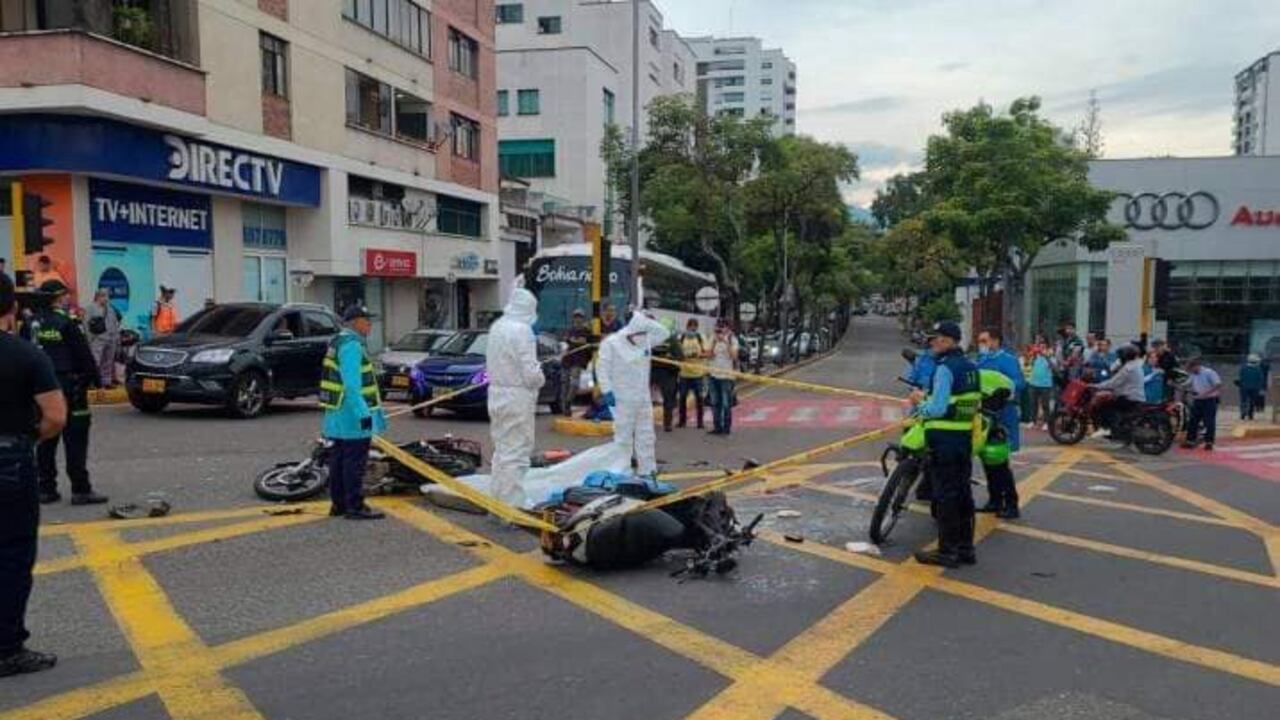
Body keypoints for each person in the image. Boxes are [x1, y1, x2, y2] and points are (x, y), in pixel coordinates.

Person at [0, 272, 67, 678]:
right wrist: (26, 441)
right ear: (11, 309)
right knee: (11, 556)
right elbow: (55, 417)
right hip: (9, 461)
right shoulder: (26, 356)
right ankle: (7, 648)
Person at [909, 321, 982, 568]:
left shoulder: (945, 368)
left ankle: (947, 551)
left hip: (943, 440)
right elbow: (967, 403)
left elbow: (938, 408)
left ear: (950, 340)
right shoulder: (971, 367)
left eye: (937, 338)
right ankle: (965, 549)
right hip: (963, 440)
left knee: (945, 496)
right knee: (963, 494)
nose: (933, 342)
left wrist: (920, 402)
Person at [32, 280, 106, 506]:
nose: (67, 298)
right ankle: (80, 489)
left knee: (46, 438)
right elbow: (83, 354)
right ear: (57, 297)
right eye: (64, 295)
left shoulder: (32, 322)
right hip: (71, 386)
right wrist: (97, 382)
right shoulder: (67, 322)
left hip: (41, 388)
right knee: (76, 438)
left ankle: (45, 488)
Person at [318, 305, 387, 519]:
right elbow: (352, 385)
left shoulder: (337, 341)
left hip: (337, 414)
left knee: (339, 459)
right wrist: (363, 414)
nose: (370, 325)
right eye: (367, 320)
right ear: (355, 322)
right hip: (351, 415)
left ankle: (339, 504)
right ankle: (354, 506)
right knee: (354, 461)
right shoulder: (351, 346)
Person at [484, 289, 545, 507]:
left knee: (502, 450)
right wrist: (540, 376)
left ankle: (498, 500)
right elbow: (530, 373)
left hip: (496, 392)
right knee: (517, 452)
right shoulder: (522, 331)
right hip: (517, 395)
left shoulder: (497, 327)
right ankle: (513, 505)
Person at [597, 310, 670, 476]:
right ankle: (622, 470)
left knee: (646, 436)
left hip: (643, 398)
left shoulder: (645, 340)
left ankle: (648, 470)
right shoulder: (611, 343)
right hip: (622, 399)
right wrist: (607, 390)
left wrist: (645, 321)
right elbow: (602, 368)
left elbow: (665, 332)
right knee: (623, 437)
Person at [976, 329, 1024, 519]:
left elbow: (1019, 383)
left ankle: (1011, 504)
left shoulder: (1007, 360)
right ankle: (994, 500)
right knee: (987, 459)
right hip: (983, 415)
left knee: (1000, 462)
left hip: (1002, 415)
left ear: (995, 341)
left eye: (984, 340)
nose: (981, 344)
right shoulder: (981, 360)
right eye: (980, 341)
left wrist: (1001, 391)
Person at [1090, 344, 1147, 438]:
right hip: (1135, 397)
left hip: (1130, 398)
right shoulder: (1135, 365)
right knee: (1111, 400)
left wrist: (1096, 386)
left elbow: (1113, 382)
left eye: (1120, 356)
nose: (1119, 359)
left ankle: (1106, 428)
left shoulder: (1128, 368)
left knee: (1104, 406)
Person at [707, 319, 741, 436]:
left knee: (726, 404)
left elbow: (734, 356)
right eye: (718, 327)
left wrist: (725, 342)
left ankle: (726, 428)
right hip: (713, 375)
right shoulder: (713, 338)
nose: (720, 330)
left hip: (727, 376)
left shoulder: (733, 339)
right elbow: (708, 356)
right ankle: (717, 427)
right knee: (714, 402)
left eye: (722, 327)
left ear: (728, 328)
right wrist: (714, 342)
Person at [1182, 357, 1222, 451]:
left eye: (1191, 369)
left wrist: (1205, 393)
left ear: (1196, 366)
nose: (1191, 372)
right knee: (1193, 420)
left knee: (1209, 422)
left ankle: (1209, 442)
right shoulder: (1193, 375)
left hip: (1209, 400)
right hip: (1198, 400)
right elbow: (1187, 383)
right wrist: (1178, 385)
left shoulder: (1209, 372)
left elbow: (1218, 384)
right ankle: (1190, 440)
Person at [85, 289, 122, 388]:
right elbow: (86, 324)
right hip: (97, 339)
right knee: (96, 360)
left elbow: (115, 323)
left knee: (108, 361)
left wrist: (116, 337)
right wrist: (90, 339)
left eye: (107, 296)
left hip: (111, 338)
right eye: (104, 296)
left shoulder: (110, 309)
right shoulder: (90, 308)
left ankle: (106, 382)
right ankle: (93, 381)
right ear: (98, 297)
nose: (106, 299)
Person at [650, 318, 682, 432]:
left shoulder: (672, 341)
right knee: (643, 399)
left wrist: (667, 359)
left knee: (668, 400)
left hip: (667, 373)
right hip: (653, 371)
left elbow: (679, 358)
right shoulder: (652, 339)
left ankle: (667, 423)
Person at [559, 309, 592, 418]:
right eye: (576, 317)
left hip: (578, 361)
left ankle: (568, 401)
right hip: (567, 360)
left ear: (583, 319)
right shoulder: (569, 330)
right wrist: (571, 341)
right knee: (565, 384)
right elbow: (565, 341)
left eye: (580, 317)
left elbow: (584, 341)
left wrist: (573, 340)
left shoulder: (587, 331)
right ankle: (565, 408)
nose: (578, 319)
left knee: (574, 384)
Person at [677, 319, 708, 429]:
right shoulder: (681, 337)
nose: (692, 328)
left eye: (695, 326)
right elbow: (677, 353)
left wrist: (698, 355)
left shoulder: (700, 337)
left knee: (699, 398)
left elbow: (706, 353)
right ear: (687, 326)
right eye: (691, 326)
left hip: (697, 373)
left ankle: (700, 422)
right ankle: (682, 421)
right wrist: (683, 355)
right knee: (682, 398)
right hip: (684, 373)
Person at [1027, 343, 1055, 429]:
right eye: (1040, 347)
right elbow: (1029, 363)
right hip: (1033, 383)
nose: (1041, 349)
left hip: (1045, 384)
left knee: (1045, 404)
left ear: (1047, 348)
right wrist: (1033, 355)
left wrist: (1046, 356)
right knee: (1033, 403)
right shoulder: (1035, 356)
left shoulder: (1050, 356)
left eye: (1043, 347)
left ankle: (1046, 422)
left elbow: (1053, 367)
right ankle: (1032, 421)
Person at [1237, 354, 1265, 422]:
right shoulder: (1258, 369)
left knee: (1243, 401)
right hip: (1255, 388)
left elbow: (1240, 378)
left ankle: (1243, 414)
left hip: (1244, 387)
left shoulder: (1243, 368)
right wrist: (1261, 388)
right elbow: (1261, 379)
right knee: (1252, 401)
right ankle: (1250, 415)